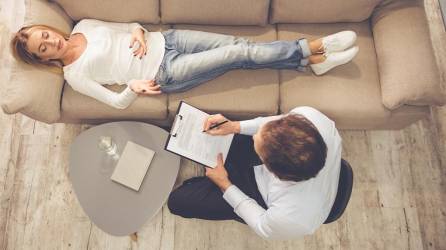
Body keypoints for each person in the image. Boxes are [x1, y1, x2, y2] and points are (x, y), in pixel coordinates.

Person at [11, 19, 358, 109]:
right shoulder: (74, 76)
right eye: (43, 48)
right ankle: (313, 47)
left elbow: (130, 26)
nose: (51, 42)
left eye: (46, 35)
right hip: (165, 73)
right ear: (44, 59)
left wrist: (139, 33)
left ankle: (311, 63)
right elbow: (114, 100)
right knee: (239, 54)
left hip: (169, 40)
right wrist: (131, 88)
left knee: (240, 48)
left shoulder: (82, 27)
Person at [167, 106, 342, 239]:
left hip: (265, 196)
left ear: (272, 170)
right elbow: (272, 123)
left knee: (177, 202)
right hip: (292, 178)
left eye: (258, 148)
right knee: (203, 133)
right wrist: (235, 126)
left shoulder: (290, 219)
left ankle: (219, 179)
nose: (253, 137)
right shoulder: (310, 117)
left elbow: (260, 223)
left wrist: (225, 184)